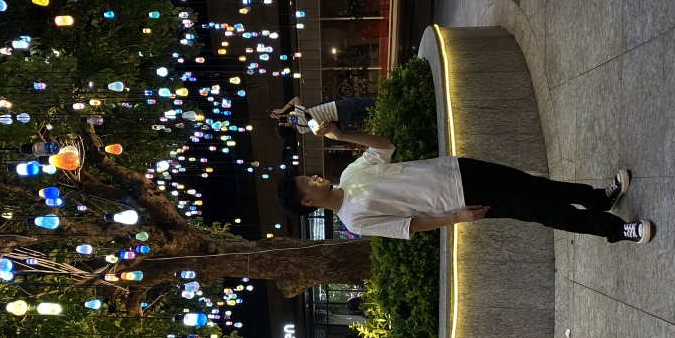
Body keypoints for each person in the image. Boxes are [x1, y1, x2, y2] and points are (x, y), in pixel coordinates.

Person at [276, 123, 654, 244]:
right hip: (459, 198)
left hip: (455, 169)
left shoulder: (349, 174)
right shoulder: (354, 220)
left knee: (536, 186)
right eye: (307, 182)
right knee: (542, 211)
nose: (314, 177)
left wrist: (343, 134)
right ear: (308, 201)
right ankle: (617, 231)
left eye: (308, 175)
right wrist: (456, 218)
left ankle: (598, 199)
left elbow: (385, 146)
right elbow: (409, 225)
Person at [271, 96, 376, 138]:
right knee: (370, 104)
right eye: (282, 121)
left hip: (341, 118)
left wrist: (283, 116)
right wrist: (282, 111)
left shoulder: (302, 130)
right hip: (337, 108)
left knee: (370, 116)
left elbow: (292, 119)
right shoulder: (298, 115)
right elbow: (296, 99)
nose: (284, 118)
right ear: (287, 124)